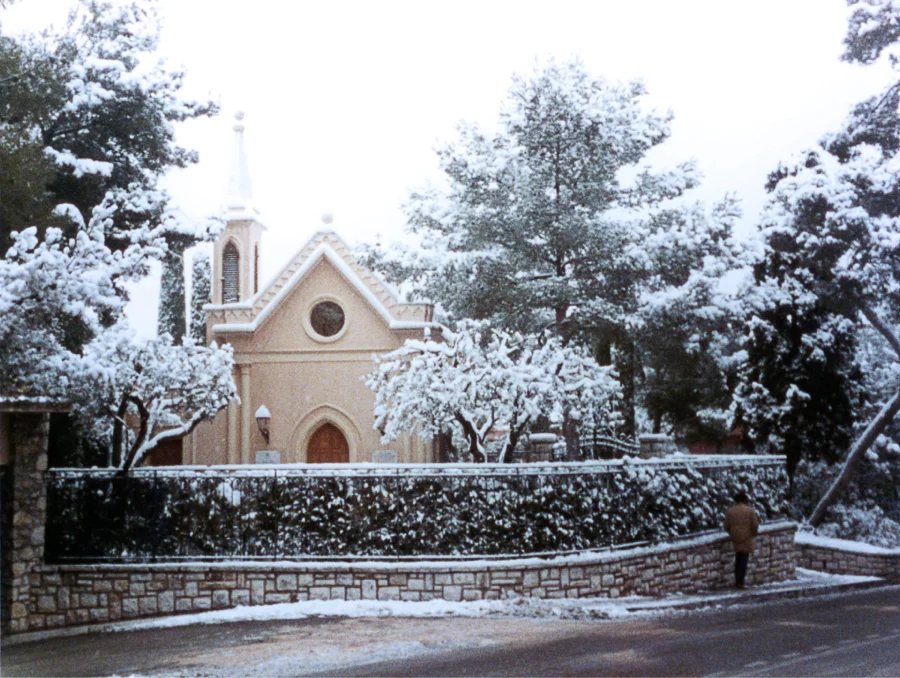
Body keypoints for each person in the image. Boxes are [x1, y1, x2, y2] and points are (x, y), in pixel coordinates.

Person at [723, 490, 759, 589]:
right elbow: (755, 525)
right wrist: (753, 534)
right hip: (747, 538)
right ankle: (741, 582)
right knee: (744, 559)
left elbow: (726, 526)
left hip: (736, 538)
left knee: (738, 559)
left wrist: (732, 533)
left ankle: (737, 580)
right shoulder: (750, 511)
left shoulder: (730, 511)